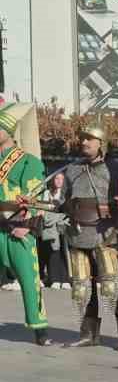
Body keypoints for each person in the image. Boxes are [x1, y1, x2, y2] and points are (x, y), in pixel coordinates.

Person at [61, 125, 118, 350]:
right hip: (78, 233)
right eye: (83, 139)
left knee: (113, 286)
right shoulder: (72, 169)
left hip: (105, 233)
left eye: (90, 139)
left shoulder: (117, 170)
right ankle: (89, 334)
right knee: (82, 287)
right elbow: (63, 202)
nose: (84, 143)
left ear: (101, 143)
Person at [0, 104, 50, 345]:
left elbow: (34, 195)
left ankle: (39, 326)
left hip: (16, 226)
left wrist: (28, 224)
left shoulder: (28, 161)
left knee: (29, 279)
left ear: (9, 131)